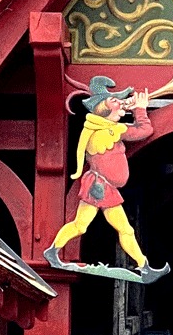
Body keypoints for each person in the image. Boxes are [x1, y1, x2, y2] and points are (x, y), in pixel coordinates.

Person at [45, 76, 157, 273]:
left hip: (102, 186)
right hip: (101, 187)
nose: (121, 103)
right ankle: (144, 266)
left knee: (84, 226)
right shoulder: (109, 131)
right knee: (116, 228)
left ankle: (144, 266)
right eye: (114, 101)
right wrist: (139, 109)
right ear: (103, 109)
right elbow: (145, 130)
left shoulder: (103, 127)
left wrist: (128, 107)